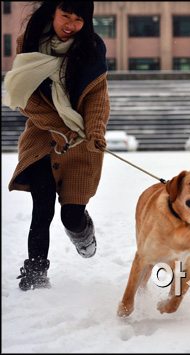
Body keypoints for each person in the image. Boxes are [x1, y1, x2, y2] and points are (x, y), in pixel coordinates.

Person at [3, 1, 110, 290]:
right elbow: (27, 97)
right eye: (66, 15)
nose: (70, 24)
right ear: (53, 12)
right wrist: (60, 126)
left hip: (80, 143)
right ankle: (35, 272)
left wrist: (96, 131)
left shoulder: (90, 52)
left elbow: (97, 97)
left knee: (70, 215)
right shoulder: (31, 45)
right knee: (42, 207)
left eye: (78, 19)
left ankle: (83, 232)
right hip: (41, 138)